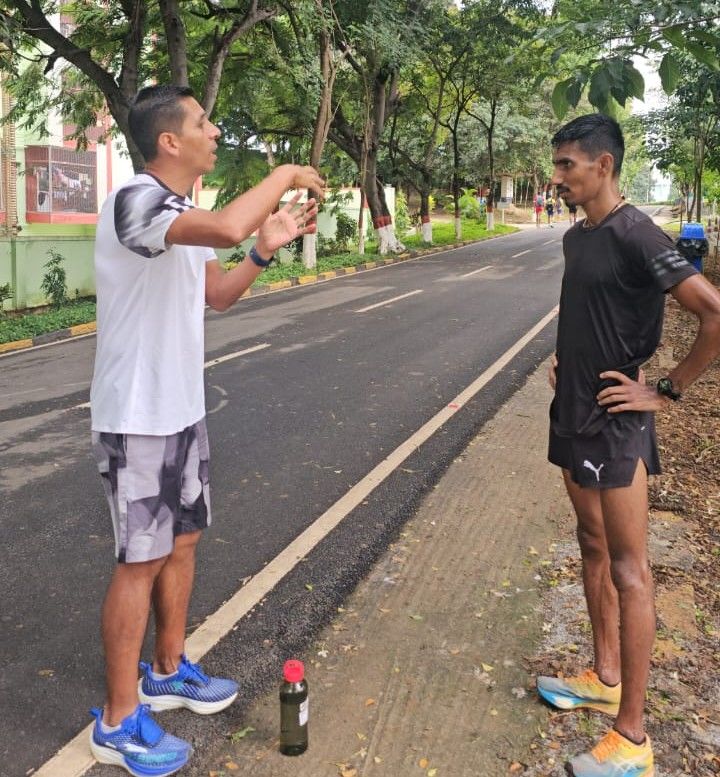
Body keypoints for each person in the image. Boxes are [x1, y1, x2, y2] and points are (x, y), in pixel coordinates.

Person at [87, 84, 324, 777]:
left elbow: (216, 294)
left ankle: (167, 668)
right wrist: (285, 173)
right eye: (203, 123)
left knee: (183, 541)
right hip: (137, 415)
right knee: (140, 560)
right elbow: (224, 227)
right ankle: (117, 720)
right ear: (169, 140)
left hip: (181, 408)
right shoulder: (136, 202)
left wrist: (264, 250)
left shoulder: (181, 214)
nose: (215, 132)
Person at [540, 113, 720, 776]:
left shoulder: (636, 232)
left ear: (604, 165)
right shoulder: (577, 237)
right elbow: (589, 311)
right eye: (556, 165)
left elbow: (712, 310)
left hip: (615, 422)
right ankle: (605, 675)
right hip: (572, 411)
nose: (557, 178)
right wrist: (567, 359)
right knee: (590, 544)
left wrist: (666, 390)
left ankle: (633, 739)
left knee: (629, 569)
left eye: (567, 165)